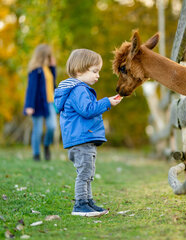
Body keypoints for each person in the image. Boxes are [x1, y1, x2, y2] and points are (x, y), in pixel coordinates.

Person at [54, 49, 122, 217]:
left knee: (88, 172)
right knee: (84, 173)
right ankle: (80, 204)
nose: (97, 75)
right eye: (94, 71)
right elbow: (87, 110)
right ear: (79, 71)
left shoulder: (80, 89)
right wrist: (107, 102)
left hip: (84, 138)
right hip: (81, 139)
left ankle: (88, 201)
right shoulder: (78, 90)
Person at [23, 44, 57, 161]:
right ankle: (36, 154)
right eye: (48, 56)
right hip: (37, 104)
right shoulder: (35, 71)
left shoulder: (48, 69)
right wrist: (29, 105)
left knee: (52, 127)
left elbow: (53, 85)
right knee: (37, 130)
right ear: (43, 56)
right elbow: (31, 89)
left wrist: (53, 67)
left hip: (50, 103)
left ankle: (46, 145)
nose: (50, 58)